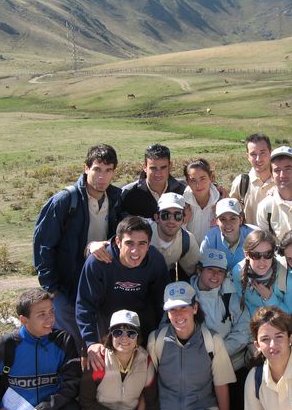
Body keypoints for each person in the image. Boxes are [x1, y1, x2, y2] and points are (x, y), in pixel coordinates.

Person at [34, 144, 123, 349]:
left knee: (99, 346)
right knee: (70, 347)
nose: (102, 176)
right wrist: (52, 288)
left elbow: (124, 234)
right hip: (67, 289)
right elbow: (43, 245)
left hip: (99, 286)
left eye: (108, 170)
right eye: (97, 169)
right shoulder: (65, 200)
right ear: (86, 168)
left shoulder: (116, 199)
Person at [147, 282, 236, 410]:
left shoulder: (212, 340)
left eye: (184, 307)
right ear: (167, 313)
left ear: (195, 308)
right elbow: (148, 384)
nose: (179, 314)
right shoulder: (156, 340)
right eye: (173, 310)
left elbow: (221, 386)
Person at [76, 216, 169, 371]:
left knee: (144, 372)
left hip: (142, 323)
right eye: (129, 243)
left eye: (142, 244)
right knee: (101, 371)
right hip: (107, 323)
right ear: (118, 242)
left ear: (148, 245)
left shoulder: (155, 260)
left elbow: (161, 302)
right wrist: (91, 343)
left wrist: (160, 335)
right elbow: (85, 305)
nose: (135, 250)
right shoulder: (98, 262)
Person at [79, 310, 158, 410]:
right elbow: (86, 402)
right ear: (110, 335)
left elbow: (152, 402)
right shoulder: (98, 359)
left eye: (131, 333)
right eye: (117, 332)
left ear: (138, 337)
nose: (124, 338)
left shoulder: (145, 361)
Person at [192, 248, 252, 371]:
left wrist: (218, 353)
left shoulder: (231, 294)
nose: (215, 275)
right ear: (199, 270)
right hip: (196, 364)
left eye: (220, 271)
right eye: (210, 269)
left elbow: (244, 329)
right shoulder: (186, 295)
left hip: (232, 363)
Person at [231, 229, 292, 317]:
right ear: (246, 255)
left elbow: (290, 313)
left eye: (268, 254)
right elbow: (246, 304)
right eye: (256, 255)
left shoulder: (287, 277)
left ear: (273, 253)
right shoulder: (238, 271)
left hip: (282, 323)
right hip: (254, 321)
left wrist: (269, 298)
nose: (262, 261)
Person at [121, 144, 187, 219]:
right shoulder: (127, 194)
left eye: (163, 167)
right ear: (145, 167)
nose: (158, 173)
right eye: (153, 168)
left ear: (170, 166)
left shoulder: (183, 191)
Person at [150, 192, 201, 281]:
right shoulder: (142, 234)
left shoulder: (187, 241)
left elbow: (195, 275)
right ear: (157, 218)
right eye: (166, 215)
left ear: (183, 219)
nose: (171, 220)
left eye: (177, 216)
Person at [230, 133, 275, 226]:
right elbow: (231, 213)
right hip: (250, 239)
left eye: (263, 153)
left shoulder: (282, 182)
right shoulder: (241, 182)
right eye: (253, 154)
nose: (258, 159)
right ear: (247, 156)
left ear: (271, 153)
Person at [201, 197, 258, 270]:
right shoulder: (209, 239)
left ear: (240, 219)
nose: (228, 224)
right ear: (217, 221)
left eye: (233, 218)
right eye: (223, 219)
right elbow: (202, 268)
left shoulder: (255, 236)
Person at [183, 158, 221, 244]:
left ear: (211, 178)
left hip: (214, 254)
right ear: (187, 182)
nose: (198, 185)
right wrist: (183, 223)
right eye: (193, 180)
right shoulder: (181, 203)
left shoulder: (222, 201)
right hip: (188, 254)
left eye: (202, 179)